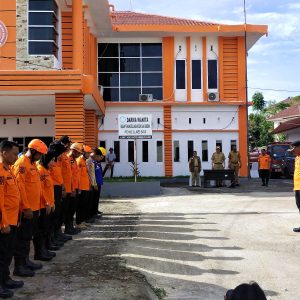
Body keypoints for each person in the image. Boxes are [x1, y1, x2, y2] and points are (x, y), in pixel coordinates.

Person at [13, 139, 48, 277]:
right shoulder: (22, 163)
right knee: (22, 238)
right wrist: (26, 208)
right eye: (39, 153)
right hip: (26, 209)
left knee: (28, 237)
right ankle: (19, 266)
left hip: (34, 208)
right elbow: (19, 188)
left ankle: (26, 261)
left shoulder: (32, 164)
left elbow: (36, 187)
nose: (40, 157)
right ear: (32, 151)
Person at [0, 141, 24, 299]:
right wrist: (3, 223)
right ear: (4, 153)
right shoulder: (0, 173)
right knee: (1, 254)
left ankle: (5, 279)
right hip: (5, 222)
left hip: (13, 220)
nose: (17, 157)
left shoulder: (9, 170)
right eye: (14, 154)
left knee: (8, 253)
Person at [65, 142, 83, 234]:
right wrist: (72, 189)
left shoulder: (74, 160)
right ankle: (68, 228)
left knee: (73, 209)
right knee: (69, 210)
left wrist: (78, 188)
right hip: (70, 189)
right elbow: (69, 177)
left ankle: (71, 226)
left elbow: (76, 176)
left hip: (74, 188)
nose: (79, 155)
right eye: (78, 153)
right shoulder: (68, 159)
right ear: (73, 151)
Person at [76, 145, 92, 229]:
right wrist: (78, 187)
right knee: (80, 206)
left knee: (84, 205)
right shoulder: (79, 161)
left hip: (85, 187)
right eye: (88, 153)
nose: (89, 155)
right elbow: (78, 176)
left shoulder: (83, 161)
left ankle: (82, 221)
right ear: (84, 153)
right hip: (81, 188)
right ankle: (78, 222)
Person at [87, 148, 104, 220]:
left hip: (97, 183)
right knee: (92, 200)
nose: (100, 158)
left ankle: (94, 213)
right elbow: (91, 174)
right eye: (99, 156)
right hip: (93, 184)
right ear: (95, 154)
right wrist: (94, 184)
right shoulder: (90, 161)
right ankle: (92, 214)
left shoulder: (95, 162)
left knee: (95, 199)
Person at [290, 141, 300, 232]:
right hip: (297, 186)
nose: (293, 150)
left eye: (294, 148)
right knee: (299, 205)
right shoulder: (297, 158)